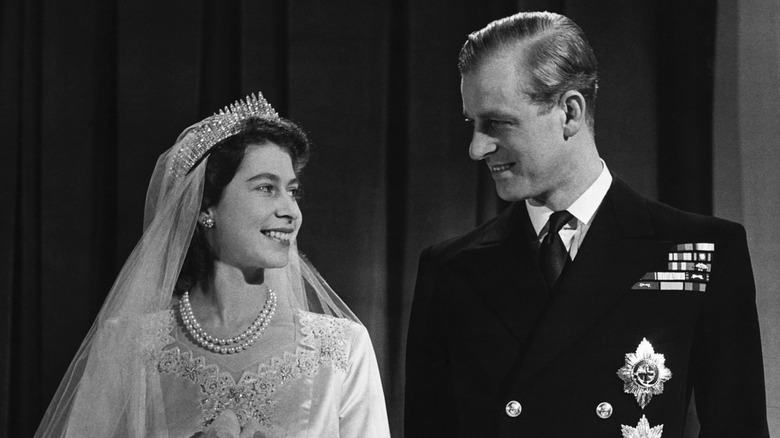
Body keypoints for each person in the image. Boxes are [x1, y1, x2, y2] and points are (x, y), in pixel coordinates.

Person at [405, 11, 769, 437]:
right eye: (473, 124)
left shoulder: (697, 251)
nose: (476, 147)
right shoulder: (451, 270)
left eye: (497, 123)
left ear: (570, 113)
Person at [36, 92, 391, 437]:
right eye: (267, 188)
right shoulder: (128, 347)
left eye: (293, 190)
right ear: (206, 207)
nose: (291, 211)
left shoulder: (342, 351)